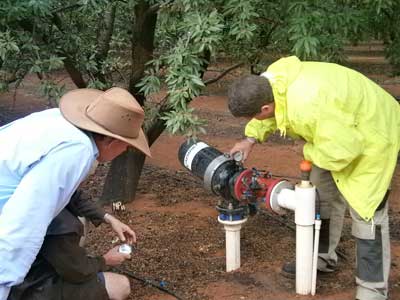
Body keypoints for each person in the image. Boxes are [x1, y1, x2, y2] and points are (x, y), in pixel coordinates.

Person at [228, 56, 400, 300]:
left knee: (367, 212)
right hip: (335, 131)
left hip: (373, 132)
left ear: (265, 108)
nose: (254, 121)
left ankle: (372, 289)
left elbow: (343, 151)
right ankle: (322, 258)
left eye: (254, 118)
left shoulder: (307, 105)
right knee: (319, 197)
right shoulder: (273, 82)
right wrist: (250, 139)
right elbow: (275, 112)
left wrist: (309, 150)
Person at [0, 87, 151, 299]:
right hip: (8, 242)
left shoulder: (61, 123)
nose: (125, 151)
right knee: (118, 285)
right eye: (126, 146)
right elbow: (26, 221)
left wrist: (107, 217)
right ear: (111, 141)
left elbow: (65, 192)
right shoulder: (77, 151)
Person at [8, 190, 132, 300]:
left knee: (80, 222)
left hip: (23, 270)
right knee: (120, 286)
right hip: (31, 288)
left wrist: (109, 218)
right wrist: (105, 260)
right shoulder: (60, 225)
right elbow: (77, 272)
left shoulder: (42, 186)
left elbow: (75, 196)